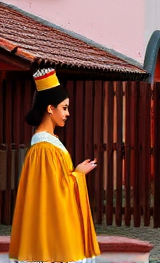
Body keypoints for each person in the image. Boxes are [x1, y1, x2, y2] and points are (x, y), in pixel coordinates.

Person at [9, 68, 101, 262]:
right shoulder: (44, 149)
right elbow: (53, 194)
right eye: (64, 107)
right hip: (54, 232)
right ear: (50, 108)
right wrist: (78, 174)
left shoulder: (48, 144)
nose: (68, 113)